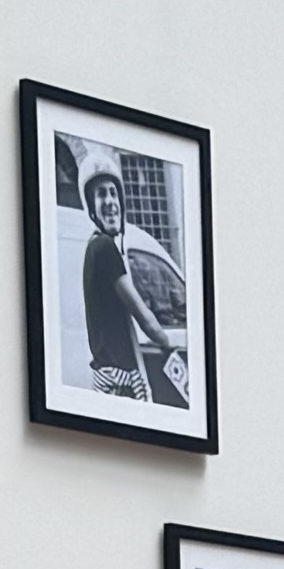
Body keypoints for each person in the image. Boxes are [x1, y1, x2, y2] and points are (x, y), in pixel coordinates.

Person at [76, 154, 188, 408]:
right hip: (119, 383)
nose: (111, 202)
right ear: (92, 207)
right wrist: (167, 342)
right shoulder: (104, 248)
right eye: (102, 194)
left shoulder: (95, 246)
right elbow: (144, 317)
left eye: (114, 194)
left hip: (109, 378)